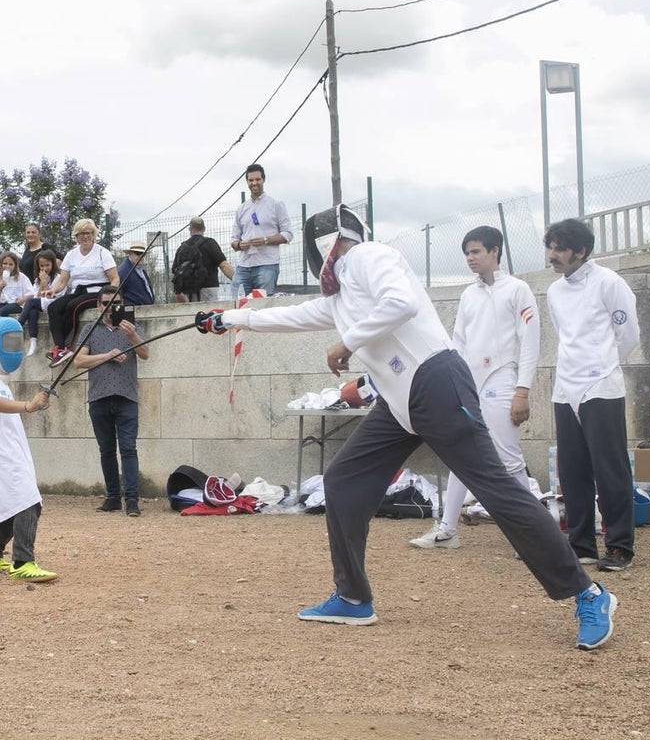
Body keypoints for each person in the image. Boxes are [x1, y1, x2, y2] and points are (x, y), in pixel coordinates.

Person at [197, 205, 618, 651]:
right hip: (400, 402)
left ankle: (589, 594)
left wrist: (347, 342)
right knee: (342, 481)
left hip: (436, 383)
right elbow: (295, 315)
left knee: (498, 490)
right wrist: (230, 318)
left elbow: (402, 302)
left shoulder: (366, 256)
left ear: (323, 245)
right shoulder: (343, 299)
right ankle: (353, 597)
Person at [410, 226, 542, 550]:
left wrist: (522, 390)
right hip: (471, 383)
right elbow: (458, 343)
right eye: (467, 253)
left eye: (476, 251)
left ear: (495, 251)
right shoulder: (469, 295)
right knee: (461, 454)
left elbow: (530, 343)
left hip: (503, 379)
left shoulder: (518, 290)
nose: (471, 258)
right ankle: (447, 529)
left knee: (509, 461)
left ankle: (536, 537)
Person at [545, 218, 640, 572]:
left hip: (601, 386)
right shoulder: (555, 291)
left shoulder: (609, 282)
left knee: (610, 468)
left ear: (581, 251)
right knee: (572, 471)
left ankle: (619, 546)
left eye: (560, 249)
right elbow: (563, 333)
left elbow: (628, 334)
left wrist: (602, 367)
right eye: (550, 248)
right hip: (565, 387)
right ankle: (581, 543)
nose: (552, 256)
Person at [0, 317, 57, 582]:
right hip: (1, 454)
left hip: (8, 451)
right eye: (8, 342)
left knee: (14, 504)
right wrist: (28, 405)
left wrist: (33, 404)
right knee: (28, 502)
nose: (13, 349)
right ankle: (22, 561)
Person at [72, 285, 149, 517]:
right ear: (98, 306)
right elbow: (78, 361)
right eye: (105, 303)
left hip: (127, 397)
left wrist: (132, 335)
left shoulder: (133, 328)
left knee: (128, 449)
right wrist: (107, 356)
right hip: (99, 397)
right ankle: (113, 497)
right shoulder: (89, 329)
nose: (110, 308)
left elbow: (145, 354)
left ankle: (132, 500)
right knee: (106, 450)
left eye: (115, 303)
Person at [45, 218, 120, 368]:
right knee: (53, 307)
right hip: (78, 290)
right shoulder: (71, 254)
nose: (85, 237)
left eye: (88, 233)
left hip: (98, 291)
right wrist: (53, 290)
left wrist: (111, 297)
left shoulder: (102, 253)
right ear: (76, 236)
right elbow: (63, 280)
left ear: (93, 234)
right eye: (81, 234)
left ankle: (67, 345)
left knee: (73, 306)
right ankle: (60, 348)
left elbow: (115, 278)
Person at [230, 164, 292, 295]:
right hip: (243, 266)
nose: (254, 183)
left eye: (257, 179)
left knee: (263, 307)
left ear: (263, 180)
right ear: (247, 182)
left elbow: (288, 234)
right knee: (236, 304)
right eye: (251, 180)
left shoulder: (276, 205)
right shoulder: (241, 209)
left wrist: (265, 240)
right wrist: (240, 245)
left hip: (267, 264)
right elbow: (234, 240)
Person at [173, 216, 233, 303]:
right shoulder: (210, 243)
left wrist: (178, 294)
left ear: (190, 230)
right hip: (209, 290)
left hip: (189, 293)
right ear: (204, 229)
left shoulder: (182, 248)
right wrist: (238, 280)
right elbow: (224, 265)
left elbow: (175, 274)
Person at [18, 249, 60, 358]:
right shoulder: (38, 279)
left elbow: (51, 296)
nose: (45, 268)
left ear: (53, 264)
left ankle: (18, 325)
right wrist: (42, 283)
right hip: (41, 303)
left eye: (47, 265)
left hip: (54, 303)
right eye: (42, 266)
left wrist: (45, 284)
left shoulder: (58, 278)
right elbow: (38, 296)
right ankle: (33, 340)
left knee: (31, 302)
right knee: (32, 311)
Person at [0, 251, 35, 319]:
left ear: (15, 266)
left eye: (11, 264)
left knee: (2, 312)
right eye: (5, 263)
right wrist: (0, 289)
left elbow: (31, 294)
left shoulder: (21, 277)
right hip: (2, 304)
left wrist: (23, 299)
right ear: (0, 264)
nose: (7, 266)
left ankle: (3, 329)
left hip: (17, 304)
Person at [116, 242, 156, 306]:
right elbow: (117, 291)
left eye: (143, 254)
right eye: (138, 253)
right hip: (132, 310)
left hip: (143, 310)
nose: (141, 256)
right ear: (130, 254)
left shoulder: (139, 269)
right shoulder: (124, 270)